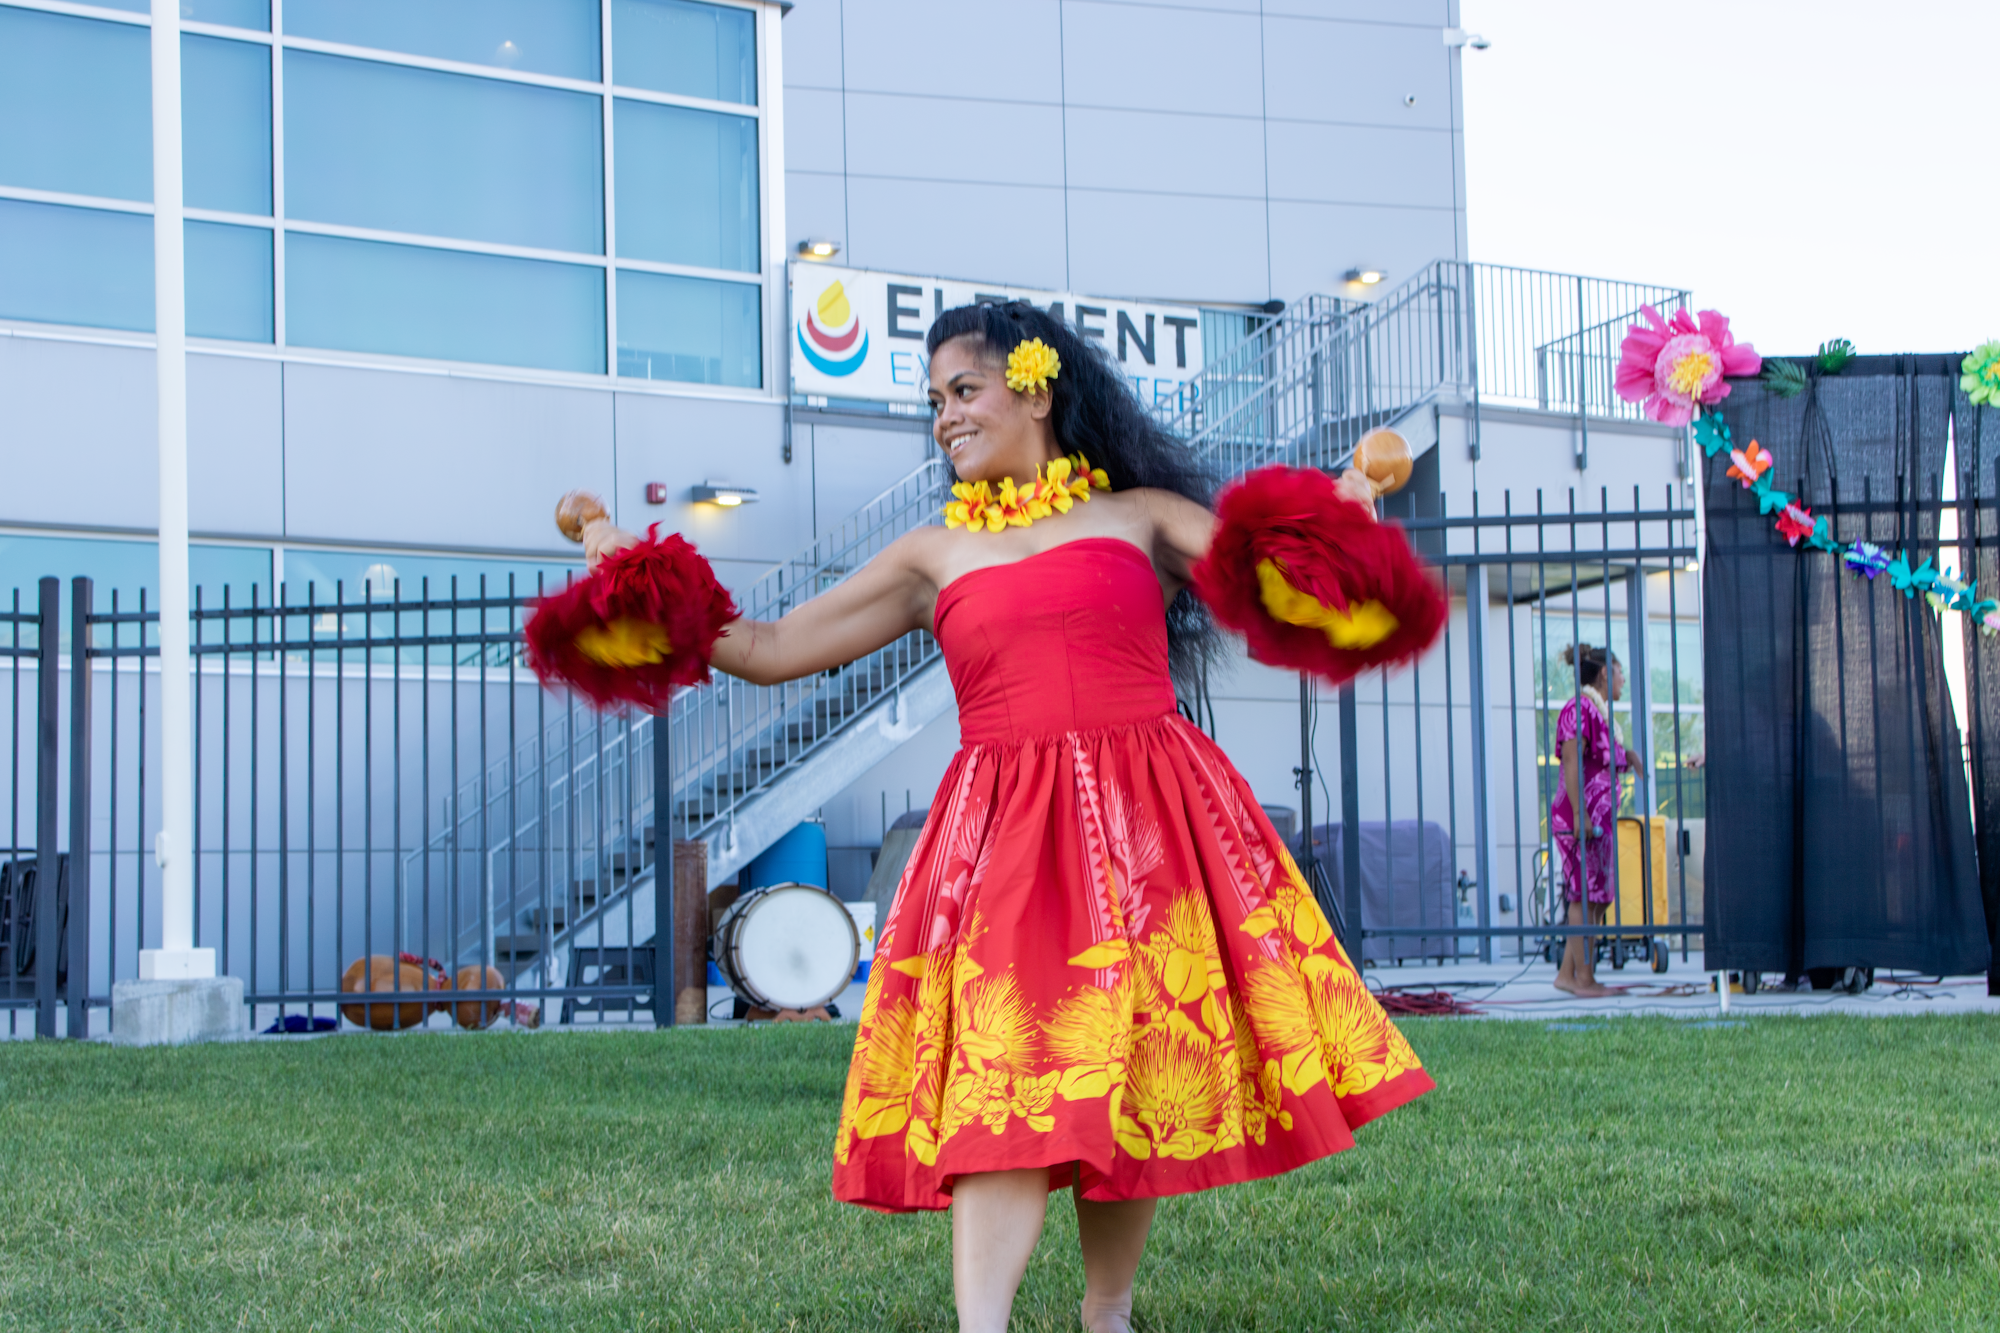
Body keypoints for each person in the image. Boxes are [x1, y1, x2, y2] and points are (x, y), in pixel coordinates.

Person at [572, 301, 1434, 1333]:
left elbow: (1274, 583)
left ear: (1034, 388)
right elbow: (761, 650)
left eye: (960, 391)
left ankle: (1104, 1312)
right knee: (1007, 1074)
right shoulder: (930, 554)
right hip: (1003, 843)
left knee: (1129, 1067)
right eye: (932, 401)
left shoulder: (1140, 516)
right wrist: (627, 566)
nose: (942, 418)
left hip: (1145, 825)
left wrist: (1337, 509)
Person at [1549, 643, 1632, 997]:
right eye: (1619, 671)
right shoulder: (1579, 708)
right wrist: (1582, 814)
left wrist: (1631, 758)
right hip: (1578, 820)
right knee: (1583, 895)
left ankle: (1569, 975)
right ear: (1603, 673)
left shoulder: (1599, 715)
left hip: (1597, 823)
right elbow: (1571, 761)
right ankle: (1584, 979)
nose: (1622, 680)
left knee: (1597, 897)